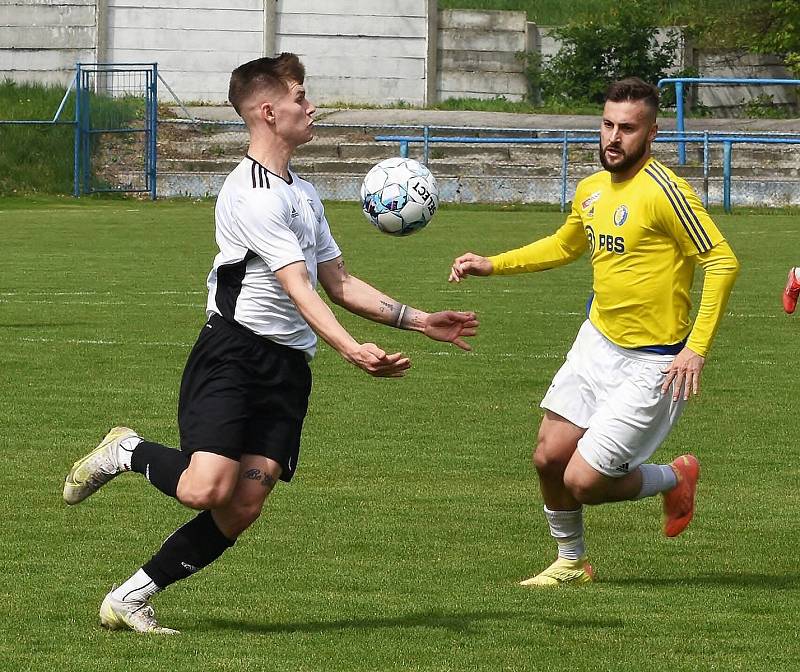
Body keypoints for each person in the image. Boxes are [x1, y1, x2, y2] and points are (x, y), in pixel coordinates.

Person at [63, 53, 478, 633]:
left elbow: (337, 280)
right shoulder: (251, 194)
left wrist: (418, 319)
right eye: (300, 98)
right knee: (205, 488)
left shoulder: (303, 193)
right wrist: (350, 348)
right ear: (267, 110)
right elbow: (298, 287)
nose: (311, 108)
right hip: (234, 354)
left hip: (288, 369)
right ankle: (126, 450)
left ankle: (129, 597)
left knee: (243, 506)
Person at [449, 77, 739, 586]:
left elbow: (722, 261)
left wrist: (695, 348)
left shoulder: (666, 192)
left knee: (583, 480)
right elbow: (564, 245)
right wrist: (491, 264)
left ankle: (676, 476)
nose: (613, 137)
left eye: (627, 129)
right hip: (597, 344)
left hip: (655, 360)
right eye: (607, 125)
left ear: (652, 133)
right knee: (547, 457)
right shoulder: (591, 189)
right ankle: (571, 563)